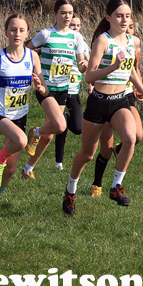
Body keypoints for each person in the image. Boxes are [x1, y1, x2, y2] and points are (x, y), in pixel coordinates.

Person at [62, 0, 143, 216]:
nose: (124, 20)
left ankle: (116, 186)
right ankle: (70, 190)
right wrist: (114, 66)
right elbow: (90, 77)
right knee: (87, 154)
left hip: (120, 101)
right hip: (98, 102)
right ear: (108, 18)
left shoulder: (132, 41)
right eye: (119, 15)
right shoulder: (103, 41)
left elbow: (130, 69)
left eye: (127, 16)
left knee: (130, 138)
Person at [0, 14, 48, 219]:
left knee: (11, 169)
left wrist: (40, 88)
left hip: (20, 117)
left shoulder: (32, 57)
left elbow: (44, 89)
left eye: (21, 30)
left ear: (27, 33)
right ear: (6, 32)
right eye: (13, 29)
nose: (17, 34)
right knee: (22, 141)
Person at [20, 0, 88, 180]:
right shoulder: (46, 34)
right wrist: (35, 73)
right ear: (55, 14)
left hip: (63, 89)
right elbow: (27, 52)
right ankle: (35, 133)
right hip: (45, 88)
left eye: (70, 13)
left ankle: (27, 169)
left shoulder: (76, 37)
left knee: (49, 136)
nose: (67, 16)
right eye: (63, 13)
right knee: (60, 126)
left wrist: (84, 65)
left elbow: (81, 67)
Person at [90, 18, 143, 197]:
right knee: (105, 149)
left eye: (131, 26)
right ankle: (97, 184)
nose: (127, 29)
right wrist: (92, 85)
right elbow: (94, 70)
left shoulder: (134, 44)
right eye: (125, 26)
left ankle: (120, 151)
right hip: (107, 97)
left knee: (137, 136)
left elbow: (134, 69)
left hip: (126, 96)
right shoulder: (105, 41)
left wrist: (141, 90)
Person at [52, 15, 89, 170]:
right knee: (61, 128)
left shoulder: (83, 44)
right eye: (73, 25)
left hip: (73, 91)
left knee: (78, 128)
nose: (75, 28)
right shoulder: (59, 41)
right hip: (59, 89)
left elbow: (91, 64)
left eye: (78, 25)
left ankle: (65, 117)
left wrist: (91, 83)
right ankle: (58, 162)